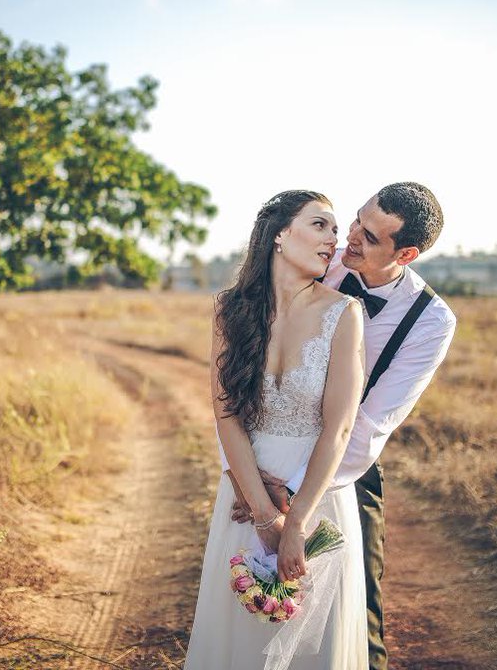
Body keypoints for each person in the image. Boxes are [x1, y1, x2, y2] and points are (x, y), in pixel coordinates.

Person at [230, 182, 458, 670]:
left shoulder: (430, 320)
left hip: (344, 472)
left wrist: (289, 494)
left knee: (357, 607)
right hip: (265, 455)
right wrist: (255, 483)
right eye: (356, 219)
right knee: (247, 592)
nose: (349, 237)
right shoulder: (319, 258)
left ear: (408, 253)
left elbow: (369, 424)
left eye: (371, 237)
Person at [184, 190, 368, 669]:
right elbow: (226, 415)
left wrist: (295, 525)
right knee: (240, 639)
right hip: (247, 494)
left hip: (315, 493)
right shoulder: (231, 309)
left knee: (313, 645)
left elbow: (339, 428)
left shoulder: (343, 313)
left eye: (335, 228)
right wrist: (265, 516)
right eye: (321, 225)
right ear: (279, 235)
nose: (335, 240)